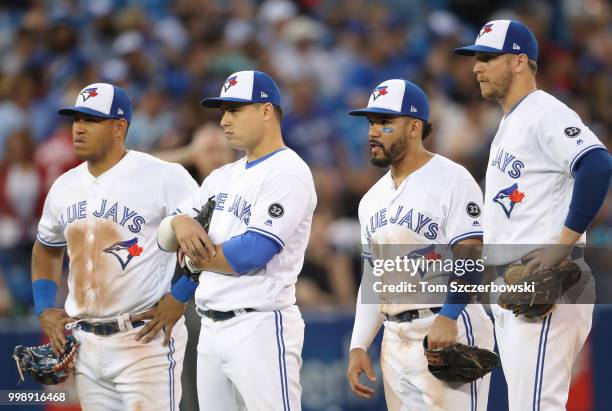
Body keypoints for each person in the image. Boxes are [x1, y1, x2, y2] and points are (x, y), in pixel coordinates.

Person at [454, 20, 612, 410]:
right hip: (514, 287)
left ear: (520, 61)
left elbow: (596, 164)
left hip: (546, 282)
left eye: (489, 57)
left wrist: (561, 247)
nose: (477, 67)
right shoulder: (511, 121)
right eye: (476, 58)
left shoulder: (544, 112)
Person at [153, 70, 317, 411]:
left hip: (259, 324)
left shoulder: (288, 171)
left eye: (234, 110)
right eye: (223, 111)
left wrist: (193, 255)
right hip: (212, 326)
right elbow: (165, 238)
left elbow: (252, 252)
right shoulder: (221, 177)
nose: (224, 121)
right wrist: (180, 222)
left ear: (266, 111)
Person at [32, 82, 198, 410]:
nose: (78, 127)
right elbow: (47, 247)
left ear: (119, 126)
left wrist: (179, 296)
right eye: (76, 119)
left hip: (144, 339)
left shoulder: (163, 176)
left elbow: (207, 238)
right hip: (86, 343)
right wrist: (43, 306)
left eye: (91, 120)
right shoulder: (64, 186)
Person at [346, 79, 494, 410]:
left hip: (446, 324)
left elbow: (470, 252)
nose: (372, 131)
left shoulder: (452, 179)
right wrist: (359, 344)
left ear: (414, 127)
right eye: (371, 122)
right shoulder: (370, 200)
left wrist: (451, 314)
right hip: (394, 337)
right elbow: (373, 279)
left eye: (385, 122)